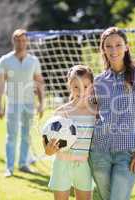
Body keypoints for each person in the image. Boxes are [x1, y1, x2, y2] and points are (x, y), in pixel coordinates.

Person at [89, 27, 135, 200]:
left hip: (128, 154)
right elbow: (90, 114)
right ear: (103, 49)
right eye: (109, 46)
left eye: (118, 45)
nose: (114, 50)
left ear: (126, 47)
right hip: (99, 151)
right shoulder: (98, 81)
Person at [0, 28, 45, 177]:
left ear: (27, 41)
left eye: (24, 40)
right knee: (12, 135)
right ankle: (9, 168)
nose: (21, 43)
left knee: (26, 134)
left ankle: (23, 164)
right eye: (18, 40)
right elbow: (0, 84)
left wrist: (42, 103)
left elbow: (39, 82)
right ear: (13, 41)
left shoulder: (33, 61)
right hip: (13, 103)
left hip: (29, 103)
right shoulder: (5, 60)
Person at [43, 65, 96, 200]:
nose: (81, 91)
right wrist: (48, 151)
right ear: (69, 86)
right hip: (62, 164)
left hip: (84, 166)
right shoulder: (61, 112)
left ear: (92, 86)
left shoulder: (96, 111)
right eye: (76, 86)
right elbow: (48, 144)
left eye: (85, 86)